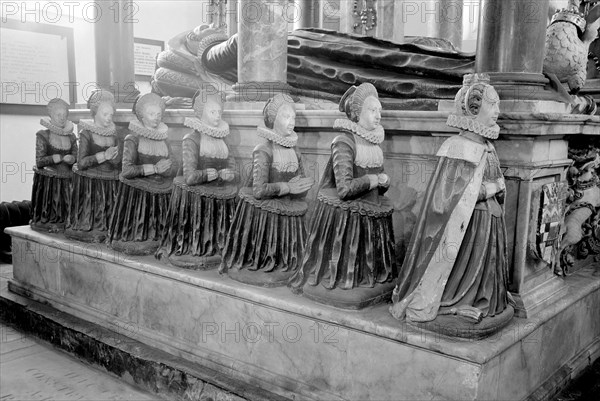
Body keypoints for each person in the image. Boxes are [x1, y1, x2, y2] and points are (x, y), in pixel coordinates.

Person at [389, 73, 511, 330]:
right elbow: (447, 202)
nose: (498, 110)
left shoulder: (488, 146)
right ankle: (454, 301)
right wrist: (491, 188)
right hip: (469, 227)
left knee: (484, 268)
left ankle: (480, 300)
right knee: (462, 270)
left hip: (488, 223)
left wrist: (497, 186)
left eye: (498, 104)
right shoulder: (458, 147)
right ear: (473, 109)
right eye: (493, 105)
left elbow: (496, 180)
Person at [289, 83, 397, 309]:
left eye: (380, 111)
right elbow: (344, 189)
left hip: (370, 207)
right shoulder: (344, 142)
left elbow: (377, 184)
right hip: (348, 213)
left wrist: (383, 183)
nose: (378, 116)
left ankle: (371, 276)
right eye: (372, 111)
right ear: (357, 114)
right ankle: (346, 277)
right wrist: (374, 180)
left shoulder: (374, 142)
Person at [220, 94, 314, 287]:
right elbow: (259, 190)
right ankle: (265, 260)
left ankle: (287, 261)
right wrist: (287, 186)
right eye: (286, 117)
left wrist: (301, 186)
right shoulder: (263, 150)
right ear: (273, 120)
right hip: (266, 213)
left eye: (294, 118)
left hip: (288, 210)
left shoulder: (295, 151)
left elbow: (300, 188)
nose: (291, 122)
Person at [157, 91, 237, 269]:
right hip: (198, 194)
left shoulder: (223, 138)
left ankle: (221, 247)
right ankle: (198, 246)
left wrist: (230, 174)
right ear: (200, 113)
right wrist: (205, 175)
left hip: (220, 190)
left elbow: (234, 169)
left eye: (219, 113)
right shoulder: (191, 139)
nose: (217, 117)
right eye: (212, 112)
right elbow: (190, 176)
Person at [108, 93, 177, 255]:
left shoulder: (164, 138)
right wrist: (154, 168)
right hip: (139, 195)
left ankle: (162, 236)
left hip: (162, 190)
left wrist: (168, 169)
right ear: (142, 117)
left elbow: (174, 166)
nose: (156, 118)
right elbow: (127, 170)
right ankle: (140, 236)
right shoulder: (132, 138)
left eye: (159, 114)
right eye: (151, 114)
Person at [65, 90, 122, 242]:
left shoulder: (113, 133)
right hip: (92, 182)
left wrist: (115, 158)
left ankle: (110, 227)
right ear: (95, 112)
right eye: (105, 114)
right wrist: (104, 156)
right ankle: (91, 228)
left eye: (111, 115)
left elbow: (118, 161)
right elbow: (82, 162)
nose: (109, 118)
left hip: (110, 179)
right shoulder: (86, 133)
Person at [31, 98, 77, 233]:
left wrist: (72, 158)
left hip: (68, 178)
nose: (62, 118)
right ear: (51, 115)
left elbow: (77, 157)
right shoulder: (43, 135)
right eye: (58, 115)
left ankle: (67, 221)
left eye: (64, 115)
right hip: (50, 181)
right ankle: (49, 220)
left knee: (67, 205)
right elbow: (39, 161)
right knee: (52, 205)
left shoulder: (72, 136)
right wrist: (53, 158)